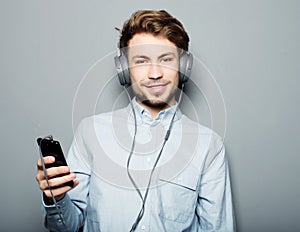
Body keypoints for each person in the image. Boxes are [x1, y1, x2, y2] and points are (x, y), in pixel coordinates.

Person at [36, 10, 236, 232]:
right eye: (141, 61)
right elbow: (67, 227)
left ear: (184, 66)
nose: (155, 73)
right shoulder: (90, 132)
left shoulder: (209, 145)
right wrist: (57, 197)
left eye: (166, 60)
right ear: (124, 68)